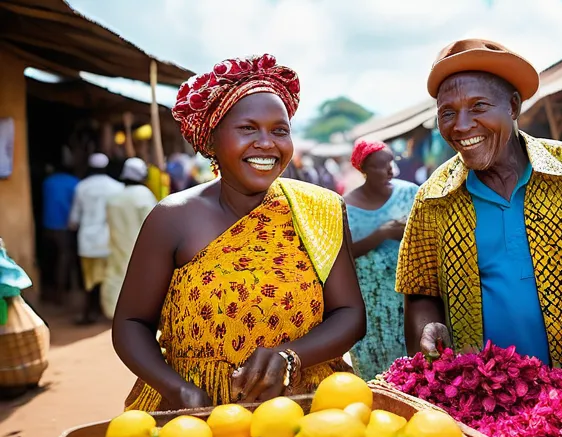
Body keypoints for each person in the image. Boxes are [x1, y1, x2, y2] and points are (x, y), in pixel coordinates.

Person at [113, 53, 366, 411]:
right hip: (192, 410)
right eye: (248, 128)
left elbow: (350, 313)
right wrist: (179, 390)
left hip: (305, 405)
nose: (267, 143)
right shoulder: (171, 218)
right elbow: (131, 322)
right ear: (212, 141)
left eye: (280, 130)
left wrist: (291, 357)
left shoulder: (318, 209)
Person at [397, 39, 562, 373]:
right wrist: (428, 328)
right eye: (448, 113)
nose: (461, 125)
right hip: (484, 392)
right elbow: (420, 289)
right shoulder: (433, 198)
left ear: (513, 106)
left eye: (478, 106)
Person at [343, 140, 419, 380]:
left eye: (391, 163)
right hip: (370, 305)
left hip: (407, 299)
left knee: (413, 368)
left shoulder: (409, 193)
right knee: (374, 373)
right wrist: (382, 234)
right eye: (379, 166)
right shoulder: (344, 207)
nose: (390, 171)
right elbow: (343, 256)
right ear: (363, 170)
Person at [69, 153, 125, 325]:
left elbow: (73, 220)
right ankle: (108, 311)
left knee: (90, 280)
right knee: (110, 277)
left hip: (87, 241)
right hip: (110, 240)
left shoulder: (81, 187)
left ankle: (89, 312)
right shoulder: (117, 187)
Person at [101, 157, 158, 320]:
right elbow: (152, 223)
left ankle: (113, 312)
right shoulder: (144, 195)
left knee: (116, 276)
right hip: (140, 246)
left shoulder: (114, 197)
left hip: (117, 244)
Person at [41, 159, 79, 304]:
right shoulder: (74, 182)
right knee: (64, 259)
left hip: (47, 225)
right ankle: (61, 292)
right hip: (64, 227)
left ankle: (47, 290)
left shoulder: (48, 182)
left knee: (49, 258)